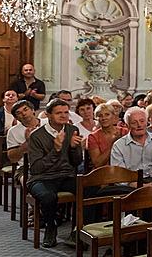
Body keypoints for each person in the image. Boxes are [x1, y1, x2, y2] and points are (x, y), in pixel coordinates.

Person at [27, 99, 83, 247]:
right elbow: (36, 168)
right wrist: (56, 150)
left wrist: (73, 148)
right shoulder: (36, 136)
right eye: (59, 113)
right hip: (42, 178)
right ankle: (50, 228)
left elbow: (77, 162)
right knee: (48, 196)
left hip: (66, 175)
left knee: (88, 190)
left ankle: (77, 231)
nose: (63, 116)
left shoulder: (72, 130)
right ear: (48, 115)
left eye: (66, 112)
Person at [110, 107, 152, 181]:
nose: (139, 125)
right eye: (134, 123)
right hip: (131, 185)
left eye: (142, 121)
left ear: (147, 123)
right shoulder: (119, 146)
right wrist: (132, 185)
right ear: (127, 126)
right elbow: (119, 175)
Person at [86, 103, 128, 170]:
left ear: (114, 116)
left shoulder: (125, 132)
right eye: (100, 116)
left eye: (107, 114)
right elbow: (97, 164)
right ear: (96, 119)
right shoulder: (93, 137)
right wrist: (113, 144)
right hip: (103, 174)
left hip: (126, 171)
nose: (104, 118)